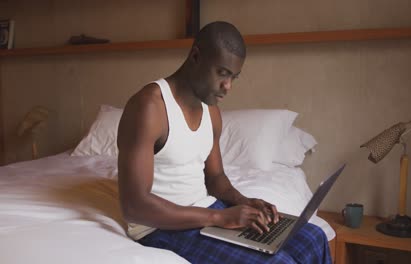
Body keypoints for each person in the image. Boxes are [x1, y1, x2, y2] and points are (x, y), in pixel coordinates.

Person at [117, 21, 331, 263]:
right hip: (159, 227)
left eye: (234, 77)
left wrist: (244, 202)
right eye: (222, 73)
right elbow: (133, 206)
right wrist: (219, 218)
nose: (227, 87)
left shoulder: (211, 111)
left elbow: (215, 178)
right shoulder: (149, 107)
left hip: (207, 211)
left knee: (314, 238)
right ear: (196, 56)